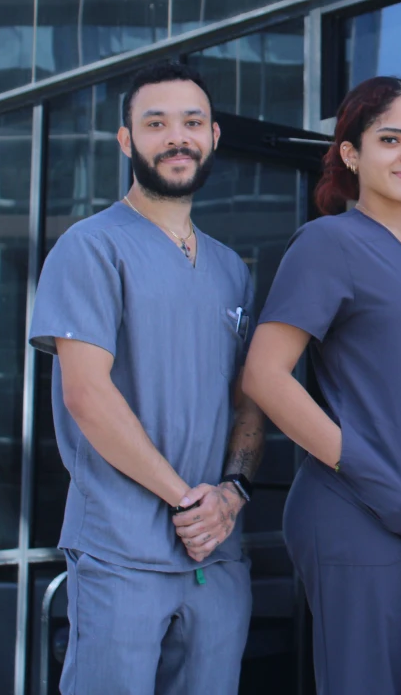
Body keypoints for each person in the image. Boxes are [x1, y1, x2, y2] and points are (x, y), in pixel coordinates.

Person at [241, 76, 401, 694]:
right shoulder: (328, 243)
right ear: (351, 153)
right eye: (391, 139)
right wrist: (364, 467)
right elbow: (264, 375)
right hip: (356, 509)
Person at [28, 61, 263, 695]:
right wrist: (188, 500)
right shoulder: (91, 246)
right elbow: (86, 393)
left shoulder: (231, 271)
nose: (175, 137)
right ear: (127, 140)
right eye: (155, 123)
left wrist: (231, 495)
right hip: (120, 549)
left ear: (214, 136)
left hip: (214, 554)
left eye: (191, 122)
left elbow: (250, 399)